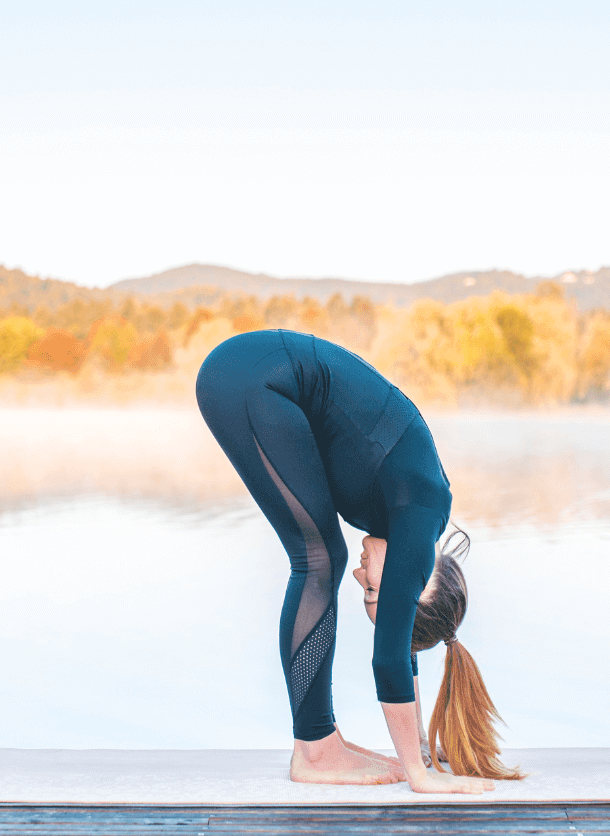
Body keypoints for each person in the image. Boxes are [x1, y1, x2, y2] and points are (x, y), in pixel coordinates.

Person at [195, 328, 521, 795]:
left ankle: (320, 741)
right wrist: (419, 775)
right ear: (420, 577)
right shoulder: (422, 508)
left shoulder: (408, 517)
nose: (360, 577)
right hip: (253, 377)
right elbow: (389, 655)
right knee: (320, 558)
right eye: (372, 589)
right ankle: (316, 749)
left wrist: (420, 749)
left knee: (324, 556)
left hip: (245, 374)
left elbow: (399, 643)